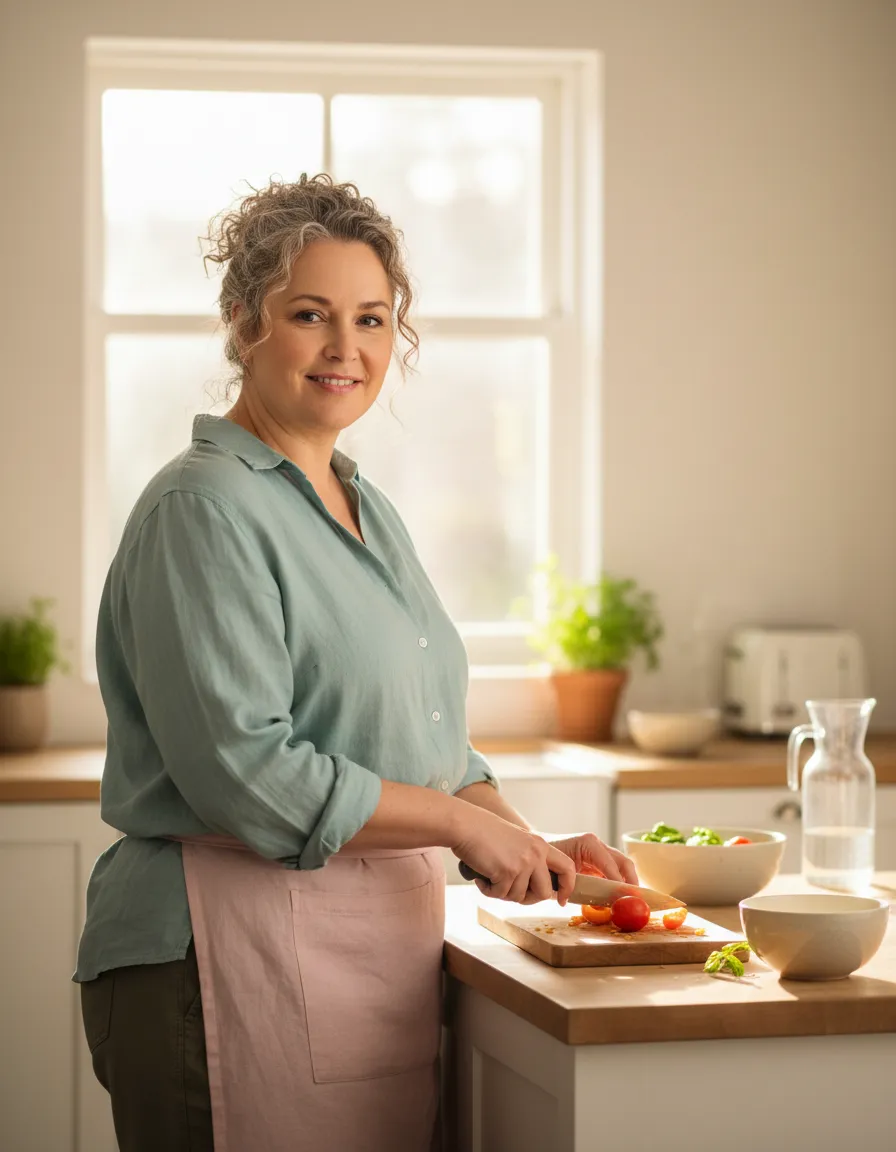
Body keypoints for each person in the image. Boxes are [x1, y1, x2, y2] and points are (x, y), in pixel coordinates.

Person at [75, 173, 637, 1152]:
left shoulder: (361, 504)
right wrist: (461, 825)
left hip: (362, 958)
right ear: (243, 322)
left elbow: (425, 741)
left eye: (371, 319)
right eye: (310, 314)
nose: (347, 348)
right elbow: (249, 774)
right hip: (214, 958)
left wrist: (529, 846)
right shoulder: (201, 509)